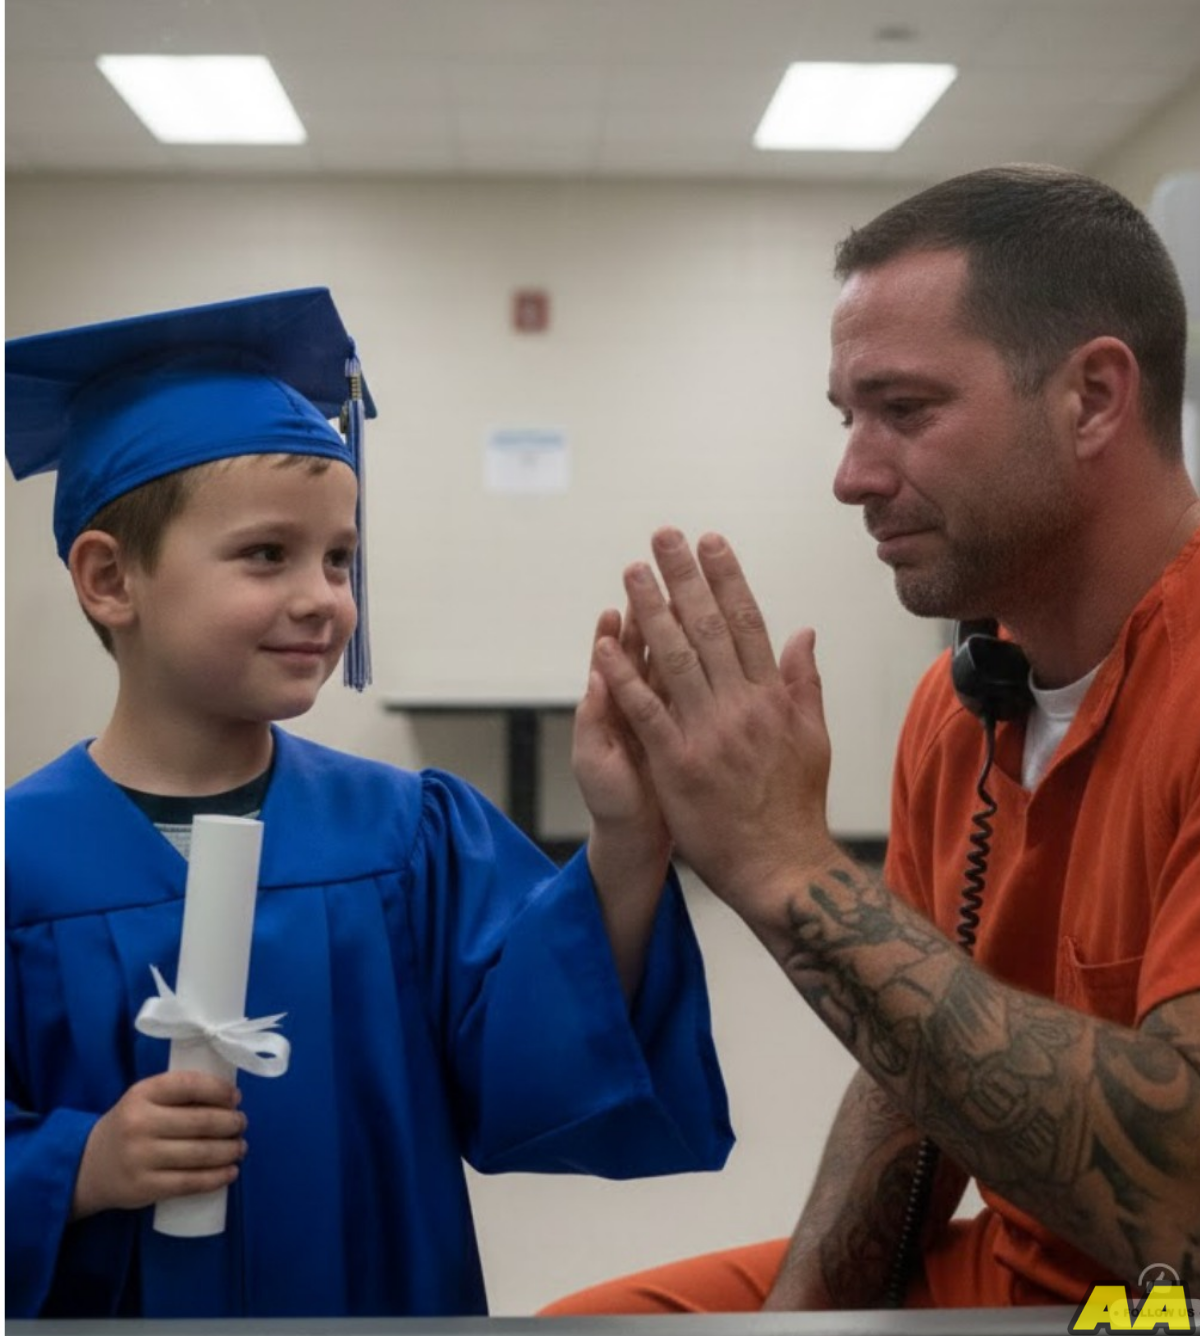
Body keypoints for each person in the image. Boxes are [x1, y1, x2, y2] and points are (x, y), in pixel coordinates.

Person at [541, 165, 1200, 1314]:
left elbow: (1183, 1194)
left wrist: (785, 865)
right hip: (1012, 1275)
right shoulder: (966, 707)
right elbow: (918, 1075)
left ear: (1093, 397)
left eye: (905, 410)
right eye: (848, 418)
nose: (853, 474)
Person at [4, 286, 733, 1320]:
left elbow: (530, 1050)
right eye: (268, 554)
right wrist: (75, 1165)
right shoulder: (19, 863)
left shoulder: (406, 835)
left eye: (341, 557)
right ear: (109, 580)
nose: (324, 596)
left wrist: (623, 842)